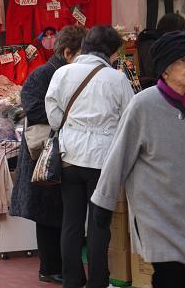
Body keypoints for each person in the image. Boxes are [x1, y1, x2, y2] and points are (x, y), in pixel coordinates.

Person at [91, 31, 185, 288]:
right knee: (169, 278)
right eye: (181, 60)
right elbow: (118, 159)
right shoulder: (142, 106)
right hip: (158, 216)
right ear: (164, 70)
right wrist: (102, 205)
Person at [45, 25, 134, 288]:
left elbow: (53, 114)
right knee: (98, 224)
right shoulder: (116, 79)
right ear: (110, 51)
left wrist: (72, 126)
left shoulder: (62, 73)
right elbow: (128, 119)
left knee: (71, 222)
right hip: (102, 160)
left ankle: (72, 280)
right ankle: (98, 281)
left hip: (69, 156)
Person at [10, 25, 87, 285]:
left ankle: (57, 265)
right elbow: (32, 107)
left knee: (57, 210)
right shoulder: (42, 74)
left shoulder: (63, 72)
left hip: (58, 149)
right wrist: (66, 117)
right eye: (80, 53)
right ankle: (49, 266)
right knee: (46, 212)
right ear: (67, 52)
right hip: (43, 151)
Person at [137, 13, 185, 89]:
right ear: (172, 31)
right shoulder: (150, 43)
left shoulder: (165, 43)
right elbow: (152, 73)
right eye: (181, 33)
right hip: (152, 87)